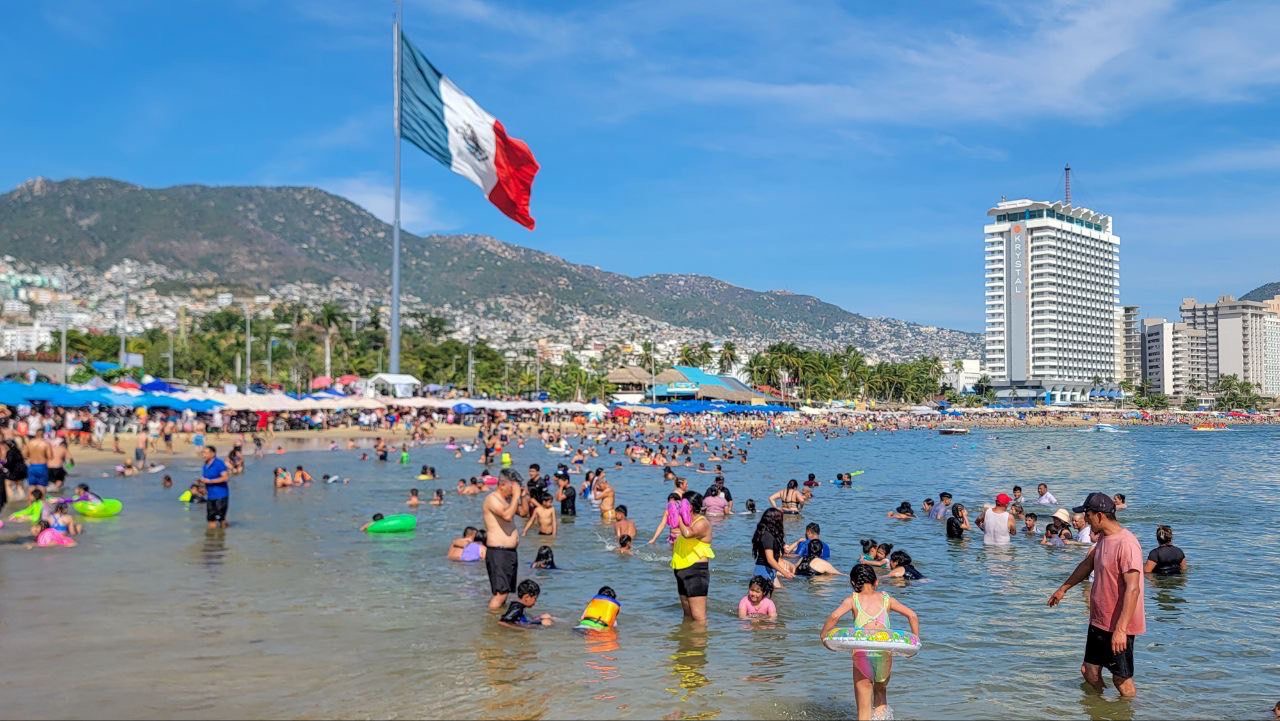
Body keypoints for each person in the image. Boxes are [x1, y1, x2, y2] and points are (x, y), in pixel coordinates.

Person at [1047, 492, 1146, 698]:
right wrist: (1063, 589)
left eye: (1088, 515)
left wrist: (1121, 629)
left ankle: (1130, 710)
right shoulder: (1103, 539)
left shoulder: (1127, 543)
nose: (1085, 519)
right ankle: (1101, 709)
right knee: (1089, 671)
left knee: (1121, 680)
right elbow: (1087, 564)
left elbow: (1133, 588)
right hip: (1099, 619)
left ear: (1100, 515)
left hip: (1119, 624)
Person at [821, 564, 920, 721]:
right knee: (880, 691)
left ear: (853, 583)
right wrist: (914, 643)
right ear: (876, 582)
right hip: (884, 654)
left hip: (862, 654)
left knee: (864, 707)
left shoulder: (852, 600)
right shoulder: (887, 599)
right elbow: (912, 615)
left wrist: (823, 636)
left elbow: (834, 616)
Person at [483, 473, 525, 611]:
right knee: (500, 594)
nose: (514, 490)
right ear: (502, 485)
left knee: (505, 593)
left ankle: (498, 619)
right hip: (498, 551)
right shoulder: (492, 499)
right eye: (513, 487)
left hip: (509, 552)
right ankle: (491, 620)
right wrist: (516, 496)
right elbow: (507, 516)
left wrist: (523, 495)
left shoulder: (508, 501)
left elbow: (524, 512)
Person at [671, 491, 714, 623]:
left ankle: (700, 636)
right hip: (681, 569)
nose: (679, 506)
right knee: (687, 613)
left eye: (682, 504)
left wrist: (678, 516)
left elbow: (688, 534)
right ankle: (686, 636)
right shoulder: (687, 522)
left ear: (690, 506)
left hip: (696, 570)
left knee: (698, 616)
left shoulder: (702, 522)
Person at [752, 508, 793, 586]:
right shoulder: (767, 536)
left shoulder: (768, 534)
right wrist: (785, 573)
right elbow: (770, 559)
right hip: (763, 571)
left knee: (781, 592)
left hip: (768, 570)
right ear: (775, 521)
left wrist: (783, 545)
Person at [201, 446, 230, 530]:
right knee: (210, 519)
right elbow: (206, 479)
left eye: (206, 453)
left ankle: (223, 533)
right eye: (203, 452)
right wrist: (204, 487)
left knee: (221, 519)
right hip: (210, 496)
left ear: (213, 454)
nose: (203, 455)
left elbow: (225, 478)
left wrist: (210, 481)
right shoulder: (205, 465)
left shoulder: (219, 463)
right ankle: (211, 537)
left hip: (220, 496)